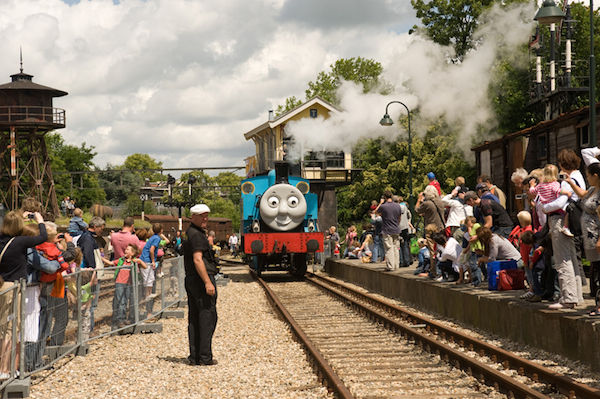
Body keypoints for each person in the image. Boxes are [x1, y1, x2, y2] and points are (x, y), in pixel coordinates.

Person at [0, 210, 47, 376]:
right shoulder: (19, 242)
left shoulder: (2, 240)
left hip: (2, 286)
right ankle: (4, 369)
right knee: (10, 329)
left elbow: (10, 223)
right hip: (14, 288)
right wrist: (40, 220)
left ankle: (9, 368)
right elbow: (42, 237)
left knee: (5, 327)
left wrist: (20, 214)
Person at [184, 204, 218, 366]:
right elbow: (198, 259)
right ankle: (204, 357)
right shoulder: (196, 235)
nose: (205, 219)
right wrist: (207, 282)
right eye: (201, 216)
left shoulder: (192, 232)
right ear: (193, 217)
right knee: (207, 317)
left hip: (192, 280)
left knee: (196, 318)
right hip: (199, 281)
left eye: (206, 215)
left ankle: (196, 356)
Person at [528, 164, 573, 236]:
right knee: (568, 211)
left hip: (545, 206)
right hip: (553, 206)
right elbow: (558, 191)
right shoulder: (555, 184)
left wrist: (532, 186)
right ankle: (566, 227)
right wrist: (567, 192)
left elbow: (532, 191)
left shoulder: (540, 185)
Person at [112, 244, 147, 329]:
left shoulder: (133, 262)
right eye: (126, 249)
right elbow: (111, 263)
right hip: (119, 283)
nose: (125, 250)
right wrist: (100, 258)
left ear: (132, 253)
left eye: (128, 249)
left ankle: (124, 319)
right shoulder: (121, 260)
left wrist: (139, 261)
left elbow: (145, 266)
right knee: (121, 301)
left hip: (129, 284)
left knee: (125, 301)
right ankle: (120, 319)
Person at [140, 223, 163, 318]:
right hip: (147, 261)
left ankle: (148, 294)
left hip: (146, 260)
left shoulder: (153, 237)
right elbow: (151, 250)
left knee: (151, 279)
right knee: (148, 280)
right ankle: (147, 295)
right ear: (161, 230)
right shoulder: (157, 238)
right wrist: (153, 261)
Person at [376, 191, 403, 271]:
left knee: (389, 248)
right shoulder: (398, 206)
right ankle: (396, 265)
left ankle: (390, 266)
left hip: (387, 230)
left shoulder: (383, 206)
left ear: (384, 197)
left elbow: (376, 212)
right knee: (396, 248)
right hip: (396, 229)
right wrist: (397, 224)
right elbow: (399, 217)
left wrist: (380, 203)